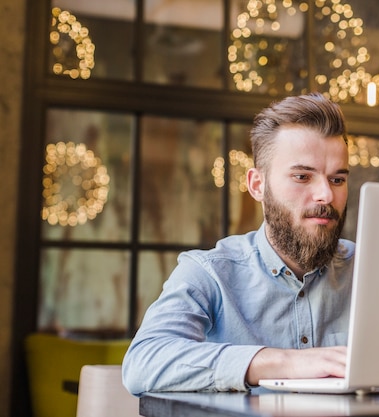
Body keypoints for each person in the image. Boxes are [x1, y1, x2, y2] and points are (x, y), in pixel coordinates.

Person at [122, 93, 355, 394]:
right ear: (257, 185)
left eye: (337, 180)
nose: (325, 194)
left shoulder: (372, 269)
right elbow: (143, 362)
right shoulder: (210, 273)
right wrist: (281, 363)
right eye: (302, 176)